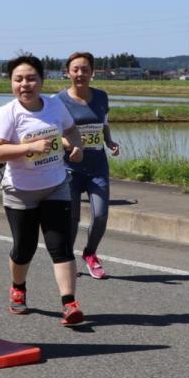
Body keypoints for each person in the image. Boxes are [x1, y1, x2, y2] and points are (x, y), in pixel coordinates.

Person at [0, 54, 86, 326]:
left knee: (61, 246)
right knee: (24, 248)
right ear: (11, 83)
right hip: (20, 190)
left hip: (56, 185)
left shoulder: (55, 106)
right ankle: (18, 288)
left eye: (31, 78)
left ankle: (69, 304)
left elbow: (71, 130)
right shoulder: (9, 112)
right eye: (18, 79)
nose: (25, 84)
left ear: (42, 81)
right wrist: (29, 148)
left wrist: (76, 147)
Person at [57, 52, 121, 279]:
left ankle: (90, 254)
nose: (80, 74)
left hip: (97, 165)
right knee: (72, 219)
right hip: (70, 167)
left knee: (101, 214)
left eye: (85, 69)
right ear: (68, 72)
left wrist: (110, 141)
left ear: (92, 73)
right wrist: (69, 145)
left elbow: (103, 123)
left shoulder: (102, 97)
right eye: (75, 69)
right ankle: (68, 259)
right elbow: (55, 134)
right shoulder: (58, 101)